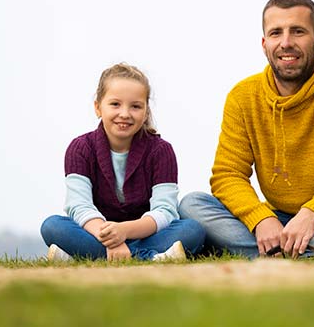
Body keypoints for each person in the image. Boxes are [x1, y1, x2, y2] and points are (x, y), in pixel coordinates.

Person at [179, 0, 314, 258]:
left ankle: (276, 253)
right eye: (275, 33)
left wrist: (313, 212)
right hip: (275, 218)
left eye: (297, 31)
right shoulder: (242, 96)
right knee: (192, 205)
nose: (286, 43)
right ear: (263, 43)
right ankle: (312, 252)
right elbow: (227, 175)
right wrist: (260, 219)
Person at [41, 63, 205, 261]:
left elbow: (165, 211)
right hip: (97, 234)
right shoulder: (80, 148)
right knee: (52, 226)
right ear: (97, 107)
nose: (125, 114)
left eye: (135, 106)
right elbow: (79, 206)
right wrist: (113, 238)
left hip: (145, 234)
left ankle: (90, 257)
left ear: (145, 111)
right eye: (115, 104)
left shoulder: (161, 151)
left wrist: (124, 231)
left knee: (192, 230)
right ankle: (149, 257)